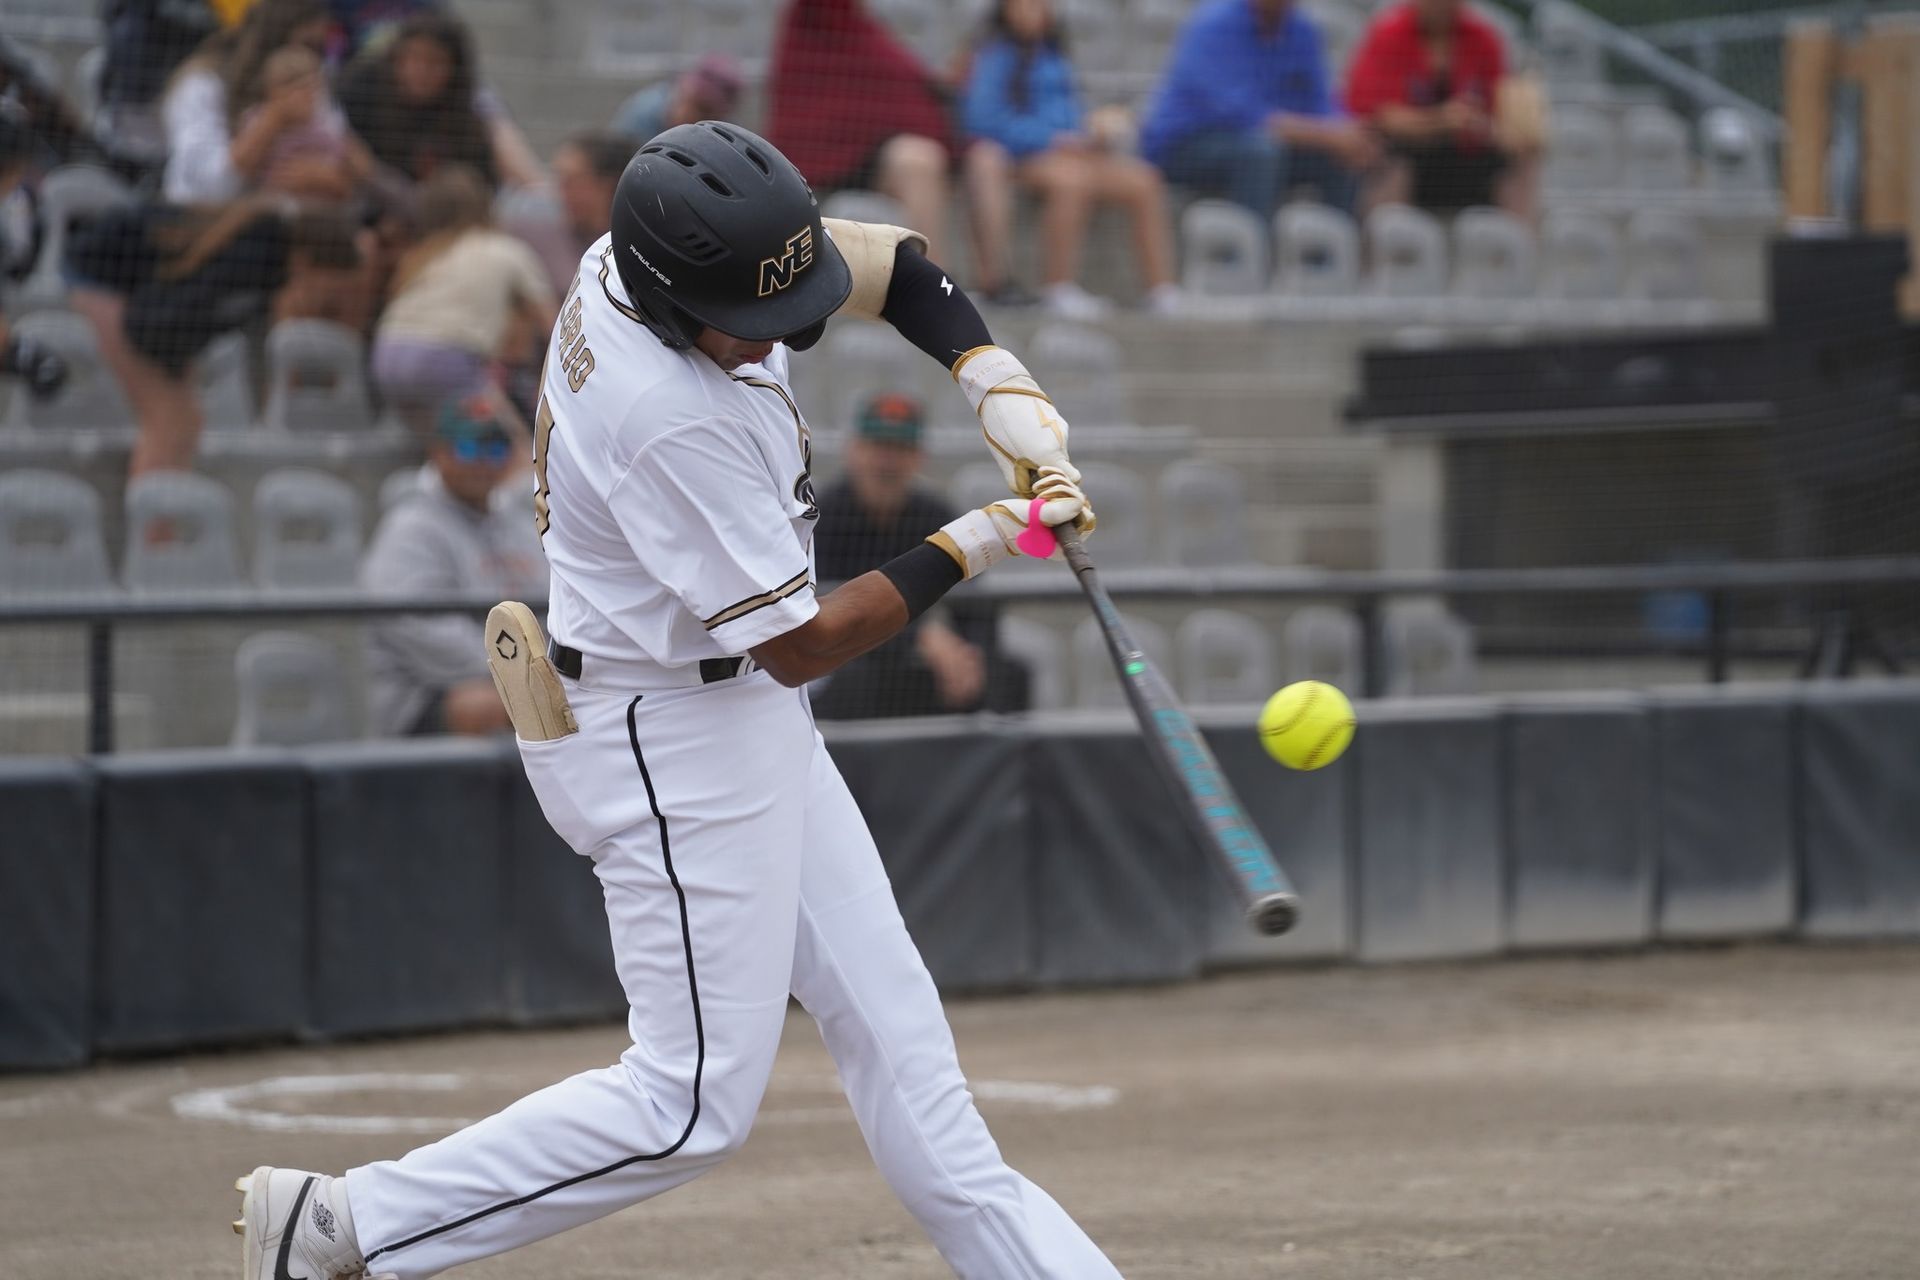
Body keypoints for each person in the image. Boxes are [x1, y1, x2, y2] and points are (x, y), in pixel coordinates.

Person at [232, 120, 1119, 1280]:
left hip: (727, 706)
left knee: (911, 1065)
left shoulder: (652, 256)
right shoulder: (666, 411)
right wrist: (987, 535)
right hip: (662, 735)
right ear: (670, 297)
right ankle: (348, 1223)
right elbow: (802, 644)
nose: (770, 345)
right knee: (688, 1101)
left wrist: (995, 378)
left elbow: (900, 265)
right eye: (748, 326)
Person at [65, 198, 360, 475]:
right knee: (166, 421)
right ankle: (151, 526)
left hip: (136, 300)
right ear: (311, 260)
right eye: (328, 288)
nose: (326, 300)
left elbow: (193, 316)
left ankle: (165, 512)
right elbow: (156, 320)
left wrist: (176, 365)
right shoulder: (257, 254)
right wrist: (170, 368)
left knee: (188, 421)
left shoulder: (270, 261)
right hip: (99, 275)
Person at [812, 393, 1026, 718]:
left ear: (918, 458)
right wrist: (920, 638)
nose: (888, 463)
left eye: (900, 450)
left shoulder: (934, 515)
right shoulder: (824, 518)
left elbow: (979, 607)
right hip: (851, 660)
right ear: (854, 451)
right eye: (879, 447)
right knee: (851, 680)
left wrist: (969, 654)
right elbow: (827, 613)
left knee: (1007, 672)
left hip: (923, 667)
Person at [962, 0, 1179, 317]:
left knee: (1144, 181)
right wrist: (1050, 139)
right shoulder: (994, 56)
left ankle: (1161, 290)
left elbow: (1067, 112)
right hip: (1021, 158)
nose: (1031, 13)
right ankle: (1057, 286)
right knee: (1071, 182)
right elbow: (985, 120)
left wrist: (1093, 132)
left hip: (1073, 153)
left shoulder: (1053, 54)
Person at [361, 391, 548, 738]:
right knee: (495, 706)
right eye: (468, 448)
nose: (483, 462)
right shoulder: (411, 528)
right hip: (424, 697)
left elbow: (550, 604)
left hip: (521, 678)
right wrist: (524, 675)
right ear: (439, 453)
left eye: (495, 449)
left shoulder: (516, 523)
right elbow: (424, 635)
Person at [1139, 0, 1379, 218]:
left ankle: (1328, 257)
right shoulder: (1215, 23)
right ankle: (1247, 256)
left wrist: (1347, 133)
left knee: (1341, 154)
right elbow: (1243, 115)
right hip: (1185, 146)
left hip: (1263, 141)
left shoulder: (1301, 29)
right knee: (1261, 152)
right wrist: (1327, 135)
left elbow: (1321, 103)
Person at [768, 0, 962, 263]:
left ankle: (935, 285)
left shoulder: (860, 25)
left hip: (869, 156)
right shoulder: (807, 22)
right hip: (814, 166)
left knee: (921, 160)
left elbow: (905, 78)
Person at [371, 164, 557, 433]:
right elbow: (555, 326)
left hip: (387, 355)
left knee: (435, 442)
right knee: (509, 440)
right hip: (445, 358)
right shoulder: (506, 250)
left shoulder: (423, 256)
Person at [1344, 0, 1537, 216]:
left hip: (1468, 154)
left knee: (1519, 157)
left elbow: (1500, 111)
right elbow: (1380, 116)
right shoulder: (1387, 34)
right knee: (1385, 156)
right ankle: (1388, 238)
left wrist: (1498, 129)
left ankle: (1515, 243)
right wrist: (1443, 119)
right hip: (1409, 153)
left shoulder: (1483, 38)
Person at [160, 0, 338, 203]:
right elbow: (209, 188)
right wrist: (273, 118)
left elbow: (349, 168)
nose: (308, 57)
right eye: (306, 45)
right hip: (202, 219)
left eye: (319, 49)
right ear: (273, 40)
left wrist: (323, 176)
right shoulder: (203, 82)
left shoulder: (312, 83)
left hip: (294, 219)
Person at [336, 10, 497, 187]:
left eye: (434, 62)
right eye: (413, 58)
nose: (421, 72)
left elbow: (481, 186)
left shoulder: (464, 120)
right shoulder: (361, 89)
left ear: (454, 69)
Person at [235, 44, 371, 201]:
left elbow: (361, 170)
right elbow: (241, 165)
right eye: (295, 88)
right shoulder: (259, 119)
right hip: (271, 205)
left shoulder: (324, 125)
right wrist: (273, 120)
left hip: (320, 208)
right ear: (271, 92)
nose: (306, 96)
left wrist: (321, 175)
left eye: (312, 88)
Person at [609, 53, 745, 144]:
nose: (692, 114)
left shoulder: (728, 133)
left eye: (707, 112)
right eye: (697, 106)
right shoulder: (640, 116)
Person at [549, 129, 630, 259]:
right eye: (560, 180)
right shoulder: (544, 240)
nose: (560, 192)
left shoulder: (638, 249)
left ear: (607, 184)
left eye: (572, 181)